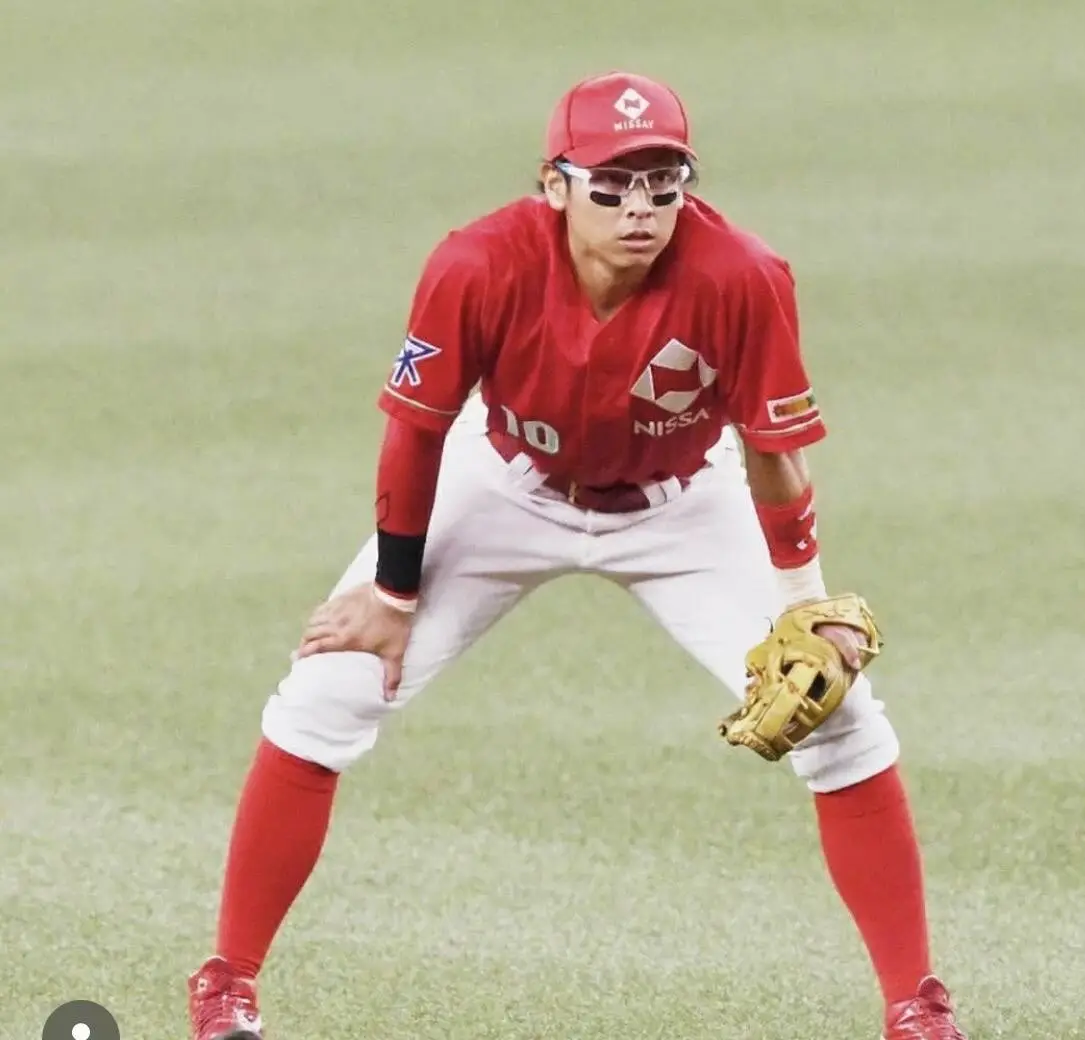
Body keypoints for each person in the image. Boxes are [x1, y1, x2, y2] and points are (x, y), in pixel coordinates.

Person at [187, 71, 969, 1040]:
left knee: (837, 716)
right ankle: (227, 984)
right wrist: (392, 593)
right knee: (329, 688)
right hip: (503, 484)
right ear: (553, 185)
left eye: (663, 183)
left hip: (684, 504)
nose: (640, 208)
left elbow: (773, 449)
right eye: (611, 185)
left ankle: (914, 1005)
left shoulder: (742, 276)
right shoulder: (477, 263)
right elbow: (416, 430)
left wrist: (803, 607)